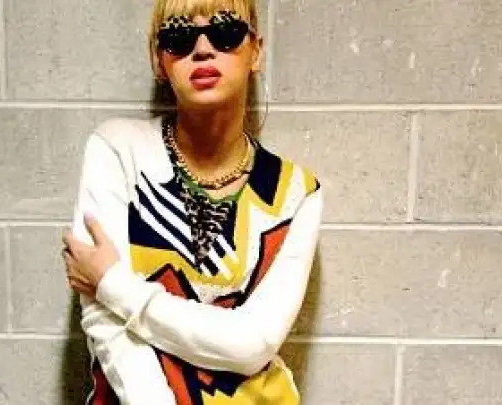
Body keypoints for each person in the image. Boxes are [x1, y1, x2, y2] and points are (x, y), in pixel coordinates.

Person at [62, 0, 323, 403]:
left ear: (256, 51)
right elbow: (105, 324)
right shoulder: (117, 150)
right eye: (179, 36)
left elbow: (252, 344)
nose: (202, 49)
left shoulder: (296, 192)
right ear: (158, 60)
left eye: (224, 31)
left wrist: (113, 284)